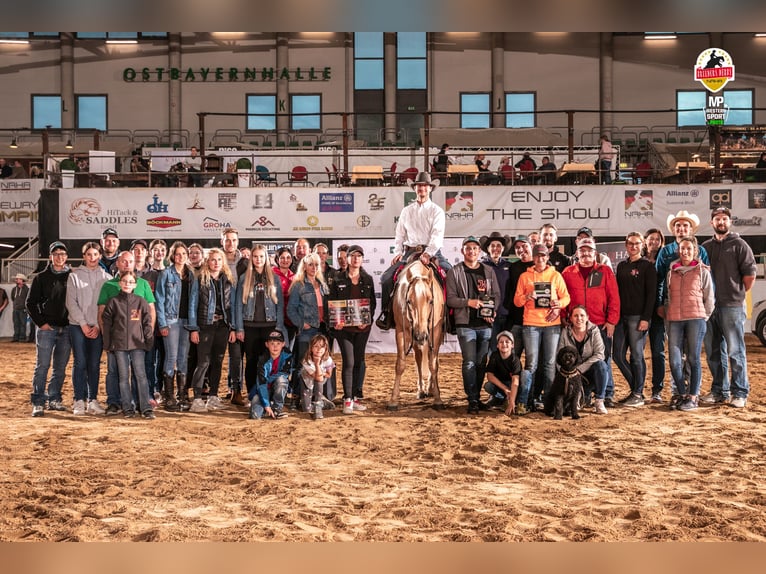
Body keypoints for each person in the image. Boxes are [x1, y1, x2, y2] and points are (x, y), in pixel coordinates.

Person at [377, 172, 451, 330]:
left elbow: (437, 235)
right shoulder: (406, 211)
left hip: (432, 252)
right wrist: (398, 252)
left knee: (450, 275)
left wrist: (428, 253)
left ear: (430, 189)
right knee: (386, 278)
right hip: (410, 252)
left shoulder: (437, 211)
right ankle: (387, 313)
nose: (422, 188)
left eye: (424, 186)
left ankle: (450, 317)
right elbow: (400, 234)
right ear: (415, 188)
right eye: (419, 186)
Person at [701, 207, 757, 408]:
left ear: (730, 222)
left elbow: (749, 276)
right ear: (712, 223)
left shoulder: (740, 245)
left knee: (735, 350)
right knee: (714, 351)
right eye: (717, 219)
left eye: (724, 219)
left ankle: (740, 392)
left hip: (731, 305)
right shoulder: (705, 246)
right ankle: (719, 391)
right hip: (709, 307)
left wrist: (737, 294)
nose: (721, 222)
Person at [561, 236, 620, 408]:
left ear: (595, 253)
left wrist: (611, 321)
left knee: (604, 359)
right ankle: (584, 393)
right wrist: (565, 316)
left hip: (600, 323)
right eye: (582, 251)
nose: (586, 254)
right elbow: (563, 296)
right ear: (577, 253)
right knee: (578, 360)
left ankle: (607, 394)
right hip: (576, 325)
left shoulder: (605, 271)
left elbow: (613, 297)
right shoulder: (568, 272)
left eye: (589, 251)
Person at [447, 236, 502, 414]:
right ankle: (472, 399)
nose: (471, 251)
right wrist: (468, 302)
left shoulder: (488, 271)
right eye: (468, 248)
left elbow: (496, 295)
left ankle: (477, 398)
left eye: (475, 248)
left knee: (481, 363)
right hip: (466, 325)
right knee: (469, 362)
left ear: (480, 252)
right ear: (463, 251)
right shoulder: (454, 272)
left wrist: (492, 311)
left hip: (485, 325)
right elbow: (450, 300)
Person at [97, 250, 157, 415]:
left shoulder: (142, 290)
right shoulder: (111, 293)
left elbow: (148, 315)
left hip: (137, 343)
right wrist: (107, 342)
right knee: (119, 375)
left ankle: (144, 406)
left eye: (130, 261)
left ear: (135, 283)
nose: (127, 264)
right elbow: (104, 317)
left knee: (140, 374)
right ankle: (123, 406)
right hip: (118, 344)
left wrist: (148, 338)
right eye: (123, 261)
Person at [513, 244, 570, 411]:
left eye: (543, 256)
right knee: (531, 364)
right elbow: (517, 301)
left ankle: (549, 402)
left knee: (550, 364)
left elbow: (566, 296)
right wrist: (526, 296)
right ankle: (526, 401)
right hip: (531, 324)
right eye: (537, 256)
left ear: (547, 257)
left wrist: (559, 304)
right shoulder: (525, 276)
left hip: (552, 325)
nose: (540, 259)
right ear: (534, 258)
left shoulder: (556, 275)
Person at [663, 236, 715, 412]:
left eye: (688, 249)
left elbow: (710, 298)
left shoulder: (702, 271)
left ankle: (693, 396)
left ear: (695, 251)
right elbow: (668, 297)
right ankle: (683, 394)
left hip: (695, 319)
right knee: (675, 361)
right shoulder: (671, 272)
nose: (685, 251)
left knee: (693, 359)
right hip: (675, 320)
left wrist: (703, 316)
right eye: (682, 248)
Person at [235, 244, 287, 405]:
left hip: (269, 326)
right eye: (255, 257)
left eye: (261, 257)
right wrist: (239, 328)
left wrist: (278, 326)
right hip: (249, 326)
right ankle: (252, 395)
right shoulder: (244, 278)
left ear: (266, 258)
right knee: (251, 362)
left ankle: (268, 394)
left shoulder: (274, 278)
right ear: (252, 259)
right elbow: (238, 305)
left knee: (268, 361)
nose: (258, 260)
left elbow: (279, 305)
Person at [188, 248, 237, 413]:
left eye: (219, 260)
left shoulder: (228, 280)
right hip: (205, 326)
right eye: (213, 260)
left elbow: (231, 307)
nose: (216, 263)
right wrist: (194, 328)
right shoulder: (200, 279)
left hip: (223, 327)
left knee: (218, 361)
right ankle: (196, 398)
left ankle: (213, 396)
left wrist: (232, 327)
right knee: (203, 362)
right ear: (207, 262)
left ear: (223, 262)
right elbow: (193, 305)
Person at [328, 244, 376, 414]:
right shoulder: (338, 279)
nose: (356, 259)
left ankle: (355, 396)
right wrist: (337, 321)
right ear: (346, 258)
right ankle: (347, 399)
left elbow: (372, 303)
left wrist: (366, 320)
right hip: (343, 330)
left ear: (362, 259)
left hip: (362, 328)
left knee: (359, 361)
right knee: (348, 362)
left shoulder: (368, 279)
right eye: (353, 255)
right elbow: (332, 302)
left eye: (359, 256)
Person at [65, 241, 111, 416]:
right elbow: (71, 303)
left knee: (94, 364)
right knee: (80, 362)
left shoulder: (107, 278)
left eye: (95, 254)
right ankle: (78, 400)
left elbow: (107, 307)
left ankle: (93, 400)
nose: (92, 258)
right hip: (78, 326)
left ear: (100, 256)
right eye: (89, 254)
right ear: (84, 256)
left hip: (97, 327)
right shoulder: (74, 276)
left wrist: (99, 325)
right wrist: (83, 324)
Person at [27, 241, 72, 417]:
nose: (59, 257)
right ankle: (38, 401)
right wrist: (41, 323)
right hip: (47, 329)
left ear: (66, 257)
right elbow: (30, 303)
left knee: (60, 367)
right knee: (42, 366)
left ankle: (54, 398)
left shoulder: (72, 276)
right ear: (51, 257)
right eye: (56, 254)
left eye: (62, 254)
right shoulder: (40, 277)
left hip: (66, 328)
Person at [613, 232, 657, 407]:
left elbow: (651, 294)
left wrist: (646, 318)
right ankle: (636, 390)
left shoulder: (647, 266)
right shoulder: (622, 266)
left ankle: (637, 393)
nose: (633, 246)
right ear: (626, 245)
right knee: (617, 355)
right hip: (622, 317)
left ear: (642, 245)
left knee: (637, 356)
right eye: (630, 243)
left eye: (637, 243)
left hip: (638, 317)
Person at [155, 241, 194, 412]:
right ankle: (169, 397)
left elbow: (194, 301)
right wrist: (162, 323)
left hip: (186, 321)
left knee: (183, 358)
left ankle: (183, 394)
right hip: (170, 321)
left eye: (183, 254)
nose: (181, 257)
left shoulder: (191, 275)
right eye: (178, 254)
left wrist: (193, 325)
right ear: (172, 256)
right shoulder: (166, 274)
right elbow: (160, 300)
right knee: (171, 357)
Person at [287, 252, 329, 409]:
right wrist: (301, 324)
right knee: (302, 364)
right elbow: (291, 309)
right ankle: (295, 397)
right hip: (306, 330)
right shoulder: (299, 285)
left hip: (322, 329)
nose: (313, 267)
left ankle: (316, 397)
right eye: (310, 264)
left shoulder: (322, 284)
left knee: (320, 363)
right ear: (304, 266)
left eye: (316, 264)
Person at [558, 305, 611, 414]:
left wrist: (580, 369)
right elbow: (559, 355)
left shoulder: (594, 330)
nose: (579, 319)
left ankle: (599, 401)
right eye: (575, 316)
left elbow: (600, 354)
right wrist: (567, 373)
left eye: (582, 315)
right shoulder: (565, 332)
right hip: (571, 375)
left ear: (587, 317)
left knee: (601, 365)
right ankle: (577, 398)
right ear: (571, 318)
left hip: (590, 372)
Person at [221, 228, 246, 403]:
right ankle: (212, 389)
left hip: (240, 313)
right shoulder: (216, 260)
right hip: (220, 314)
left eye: (234, 240)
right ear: (222, 241)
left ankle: (236, 390)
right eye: (227, 240)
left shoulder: (245, 262)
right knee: (217, 356)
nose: (231, 243)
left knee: (236, 355)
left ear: (238, 242)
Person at [644, 227, 666, 403]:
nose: (654, 242)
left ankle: (657, 390)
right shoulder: (639, 261)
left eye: (657, 239)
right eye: (651, 239)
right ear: (645, 241)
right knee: (637, 354)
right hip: (641, 314)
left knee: (658, 352)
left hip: (659, 313)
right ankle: (637, 389)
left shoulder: (665, 260)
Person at [248, 330, 292, 420]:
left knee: (282, 380)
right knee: (255, 416)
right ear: (267, 344)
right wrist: (266, 405)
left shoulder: (287, 356)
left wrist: (268, 379)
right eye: (272, 343)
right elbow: (261, 384)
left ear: (283, 344)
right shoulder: (262, 360)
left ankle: (277, 408)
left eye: (278, 343)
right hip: (264, 390)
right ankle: (268, 405)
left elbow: (284, 373)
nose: (275, 346)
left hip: (277, 388)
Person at [479, 232, 511, 350]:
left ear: (503, 248)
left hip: (507, 314)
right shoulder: (481, 266)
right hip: (490, 315)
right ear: (488, 248)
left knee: (507, 349)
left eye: (498, 246)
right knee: (492, 348)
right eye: (492, 246)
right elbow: (480, 291)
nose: (495, 248)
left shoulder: (509, 266)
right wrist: (487, 310)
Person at [504, 234, 535, 357]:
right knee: (512, 358)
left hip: (535, 322)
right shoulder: (513, 267)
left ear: (531, 245)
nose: (521, 249)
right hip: (516, 320)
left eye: (524, 245)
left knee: (533, 360)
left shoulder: (542, 265)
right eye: (517, 247)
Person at [482, 330, 525, 416]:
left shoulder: (515, 359)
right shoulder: (494, 356)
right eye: (501, 342)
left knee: (526, 375)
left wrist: (512, 401)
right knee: (488, 386)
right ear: (497, 345)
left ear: (512, 345)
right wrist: (505, 388)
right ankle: (501, 399)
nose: (504, 344)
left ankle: (520, 403)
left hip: (513, 385)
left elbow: (515, 381)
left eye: (507, 342)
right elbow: (489, 376)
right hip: (501, 385)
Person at [298, 334, 336, 420]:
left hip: (320, 382)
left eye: (322, 347)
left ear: (326, 348)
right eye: (316, 346)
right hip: (307, 382)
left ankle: (318, 404)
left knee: (319, 382)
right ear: (311, 348)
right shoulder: (306, 360)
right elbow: (316, 376)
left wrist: (320, 372)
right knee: (306, 410)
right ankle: (320, 402)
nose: (319, 349)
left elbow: (328, 375)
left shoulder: (328, 359)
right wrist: (317, 365)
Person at [272, 246, 296, 346]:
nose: (285, 260)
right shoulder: (272, 274)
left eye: (288, 257)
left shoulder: (294, 276)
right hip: (277, 319)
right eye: (282, 257)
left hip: (291, 320)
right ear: (277, 259)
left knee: (289, 350)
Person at [11, 273, 30, 343]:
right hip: (15, 309)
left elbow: (28, 299)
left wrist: (25, 307)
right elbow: (13, 298)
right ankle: (16, 337)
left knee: (22, 324)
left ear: (22, 280)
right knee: (16, 323)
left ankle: (22, 337)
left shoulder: (26, 289)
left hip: (23, 309)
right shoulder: (14, 289)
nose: (16, 280)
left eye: (18, 279)